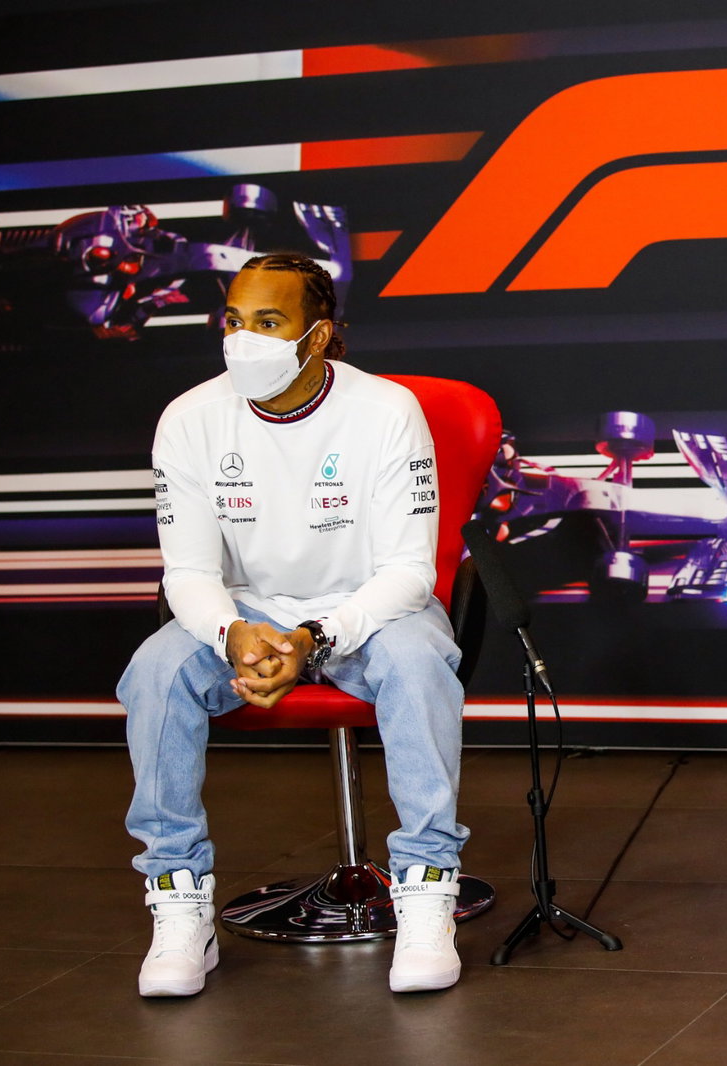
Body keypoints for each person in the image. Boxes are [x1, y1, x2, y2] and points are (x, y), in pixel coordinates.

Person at [118, 252, 470, 996]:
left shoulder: (386, 410)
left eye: (268, 323)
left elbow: (410, 571)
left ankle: (426, 887)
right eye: (234, 322)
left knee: (416, 663)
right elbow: (186, 573)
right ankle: (179, 904)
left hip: (371, 610)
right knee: (154, 669)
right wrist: (230, 635)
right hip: (245, 613)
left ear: (317, 337)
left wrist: (317, 635)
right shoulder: (189, 419)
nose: (243, 340)